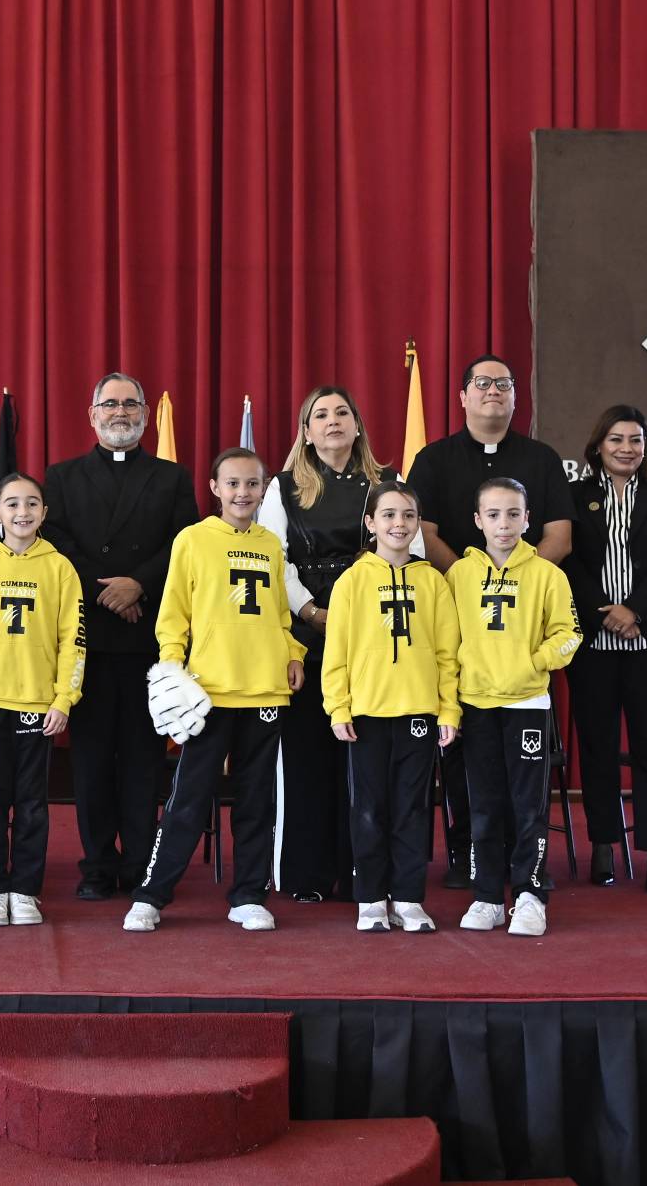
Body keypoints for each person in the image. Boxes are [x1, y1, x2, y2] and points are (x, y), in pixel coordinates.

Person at [407, 355, 572, 889]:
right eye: (482, 383)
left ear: (516, 397)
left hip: (523, 635)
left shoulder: (543, 459)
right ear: (462, 397)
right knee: (463, 761)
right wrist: (472, 580)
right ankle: (467, 857)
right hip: (457, 614)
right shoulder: (433, 459)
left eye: (504, 383)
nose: (493, 391)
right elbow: (422, 533)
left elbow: (560, 535)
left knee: (523, 782)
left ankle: (525, 871)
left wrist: (519, 583)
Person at [123, 448, 305, 933]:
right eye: (233, 484)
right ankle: (152, 895)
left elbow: (279, 615)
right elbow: (174, 609)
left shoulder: (270, 544)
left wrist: (293, 654)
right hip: (210, 692)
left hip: (264, 691)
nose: (242, 493)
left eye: (252, 484)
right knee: (188, 796)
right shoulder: (194, 539)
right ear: (215, 488)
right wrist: (169, 665)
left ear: (264, 489)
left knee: (256, 800)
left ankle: (247, 895)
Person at [44, 373, 199, 900]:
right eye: (109, 404)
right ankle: (95, 867)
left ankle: (139, 863)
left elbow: (184, 544)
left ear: (146, 416)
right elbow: (56, 542)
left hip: (146, 641)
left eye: (131, 404)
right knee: (88, 763)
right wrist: (108, 592)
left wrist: (139, 585)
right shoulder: (61, 477)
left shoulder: (171, 477)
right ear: (91, 415)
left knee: (142, 760)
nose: (120, 412)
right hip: (87, 639)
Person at [255, 385, 406, 904]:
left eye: (343, 412)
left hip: (375, 637)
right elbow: (274, 560)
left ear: (358, 425)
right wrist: (313, 613)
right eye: (321, 414)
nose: (333, 420)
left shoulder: (388, 483)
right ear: (306, 430)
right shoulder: (281, 487)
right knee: (307, 758)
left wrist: (358, 619)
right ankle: (307, 875)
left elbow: (412, 553)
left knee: (365, 760)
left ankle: (363, 874)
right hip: (307, 632)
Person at [562, 405, 647, 894]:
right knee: (597, 746)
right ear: (598, 445)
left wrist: (634, 610)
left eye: (636, 440)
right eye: (616, 439)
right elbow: (569, 563)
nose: (626, 448)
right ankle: (603, 845)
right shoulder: (575, 498)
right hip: (594, 642)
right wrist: (606, 611)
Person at [0, 474, 86, 927]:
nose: (22, 512)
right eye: (12, 504)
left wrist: (64, 699)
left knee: (31, 803)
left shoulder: (60, 568)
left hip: (38, 703)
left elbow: (74, 641)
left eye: (32, 504)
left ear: (44, 513)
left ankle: (25, 889)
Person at [322, 480, 458, 932]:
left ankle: (408, 897)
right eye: (389, 515)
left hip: (419, 712)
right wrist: (338, 707)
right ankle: (370, 898)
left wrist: (448, 710)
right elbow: (336, 652)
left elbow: (446, 653)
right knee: (368, 809)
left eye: (408, 515)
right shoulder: (352, 582)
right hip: (366, 715)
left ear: (418, 523)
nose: (398, 523)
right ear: (371, 523)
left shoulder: (433, 583)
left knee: (412, 809)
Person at [448, 479, 581, 938]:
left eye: (513, 514)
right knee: (482, 806)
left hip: (527, 703)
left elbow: (568, 633)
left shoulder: (548, 575)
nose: (503, 524)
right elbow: (448, 642)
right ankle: (487, 896)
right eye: (493, 515)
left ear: (528, 519)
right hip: (477, 705)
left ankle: (529, 894)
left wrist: (532, 664)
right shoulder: (459, 576)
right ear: (477, 520)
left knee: (528, 807)